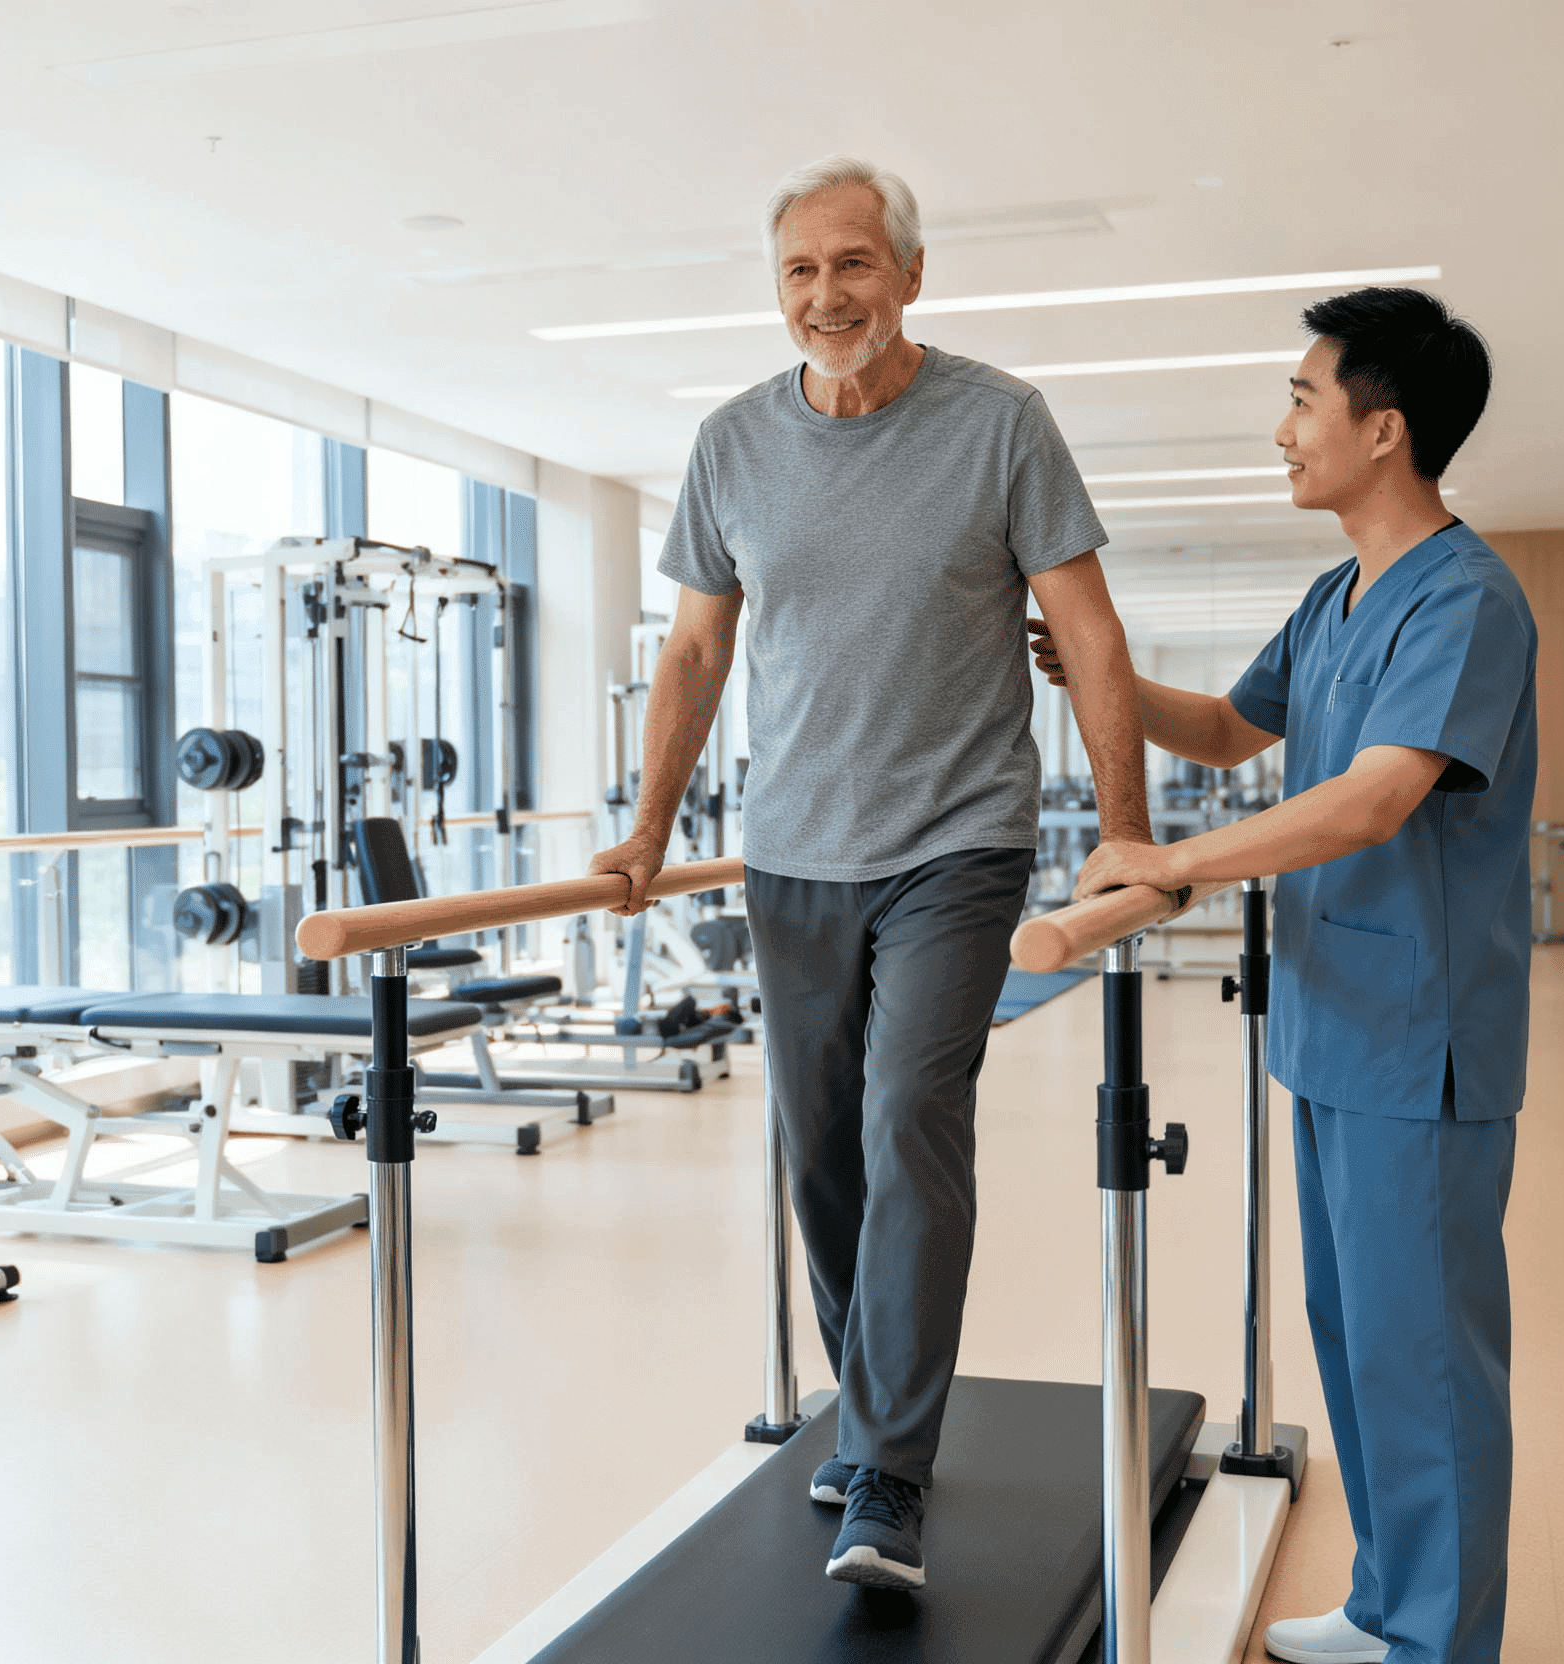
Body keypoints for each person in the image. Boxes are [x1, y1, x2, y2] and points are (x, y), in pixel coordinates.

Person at [589, 153, 1153, 1592]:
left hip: (958, 842)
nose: (826, 295)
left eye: (853, 264)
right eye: (800, 270)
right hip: (793, 853)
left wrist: (1126, 829)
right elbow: (698, 649)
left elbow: (1090, 633)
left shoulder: (1001, 423)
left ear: (909, 273)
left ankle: (889, 1469)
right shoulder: (731, 444)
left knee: (909, 1116)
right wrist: (650, 832)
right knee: (823, 1150)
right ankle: (869, 1408)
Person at [1030, 287, 1531, 1664]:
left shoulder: (1467, 599)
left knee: (1424, 1358)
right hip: (1329, 1026)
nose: (1283, 429)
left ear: (1385, 429)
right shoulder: (1331, 599)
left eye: (1304, 400)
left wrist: (1173, 863)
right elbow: (1226, 730)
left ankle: (1437, 1644)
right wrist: (1096, 667)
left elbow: (1373, 799)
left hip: (1421, 1041)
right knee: (1357, 1342)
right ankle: (1385, 1606)